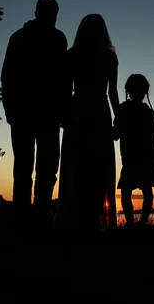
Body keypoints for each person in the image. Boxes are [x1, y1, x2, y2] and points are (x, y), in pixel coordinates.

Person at [0, 0, 68, 231]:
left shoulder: (24, 37)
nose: (52, 16)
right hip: (32, 112)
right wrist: (9, 107)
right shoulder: (32, 38)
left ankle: (34, 216)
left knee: (38, 168)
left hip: (36, 112)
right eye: (51, 12)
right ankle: (30, 217)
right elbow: (7, 75)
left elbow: (63, 78)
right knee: (33, 168)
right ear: (41, 12)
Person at [57, 14, 120, 232]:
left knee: (77, 167)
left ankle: (75, 221)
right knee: (98, 167)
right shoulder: (109, 57)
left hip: (78, 111)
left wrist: (64, 115)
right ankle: (93, 221)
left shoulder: (72, 55)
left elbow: (65, 90)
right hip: (100, 113)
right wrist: (118, 118)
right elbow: (112, 92)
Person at [113, 74, 154, 227]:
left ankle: (134, 222)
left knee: (128, 192)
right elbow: (153, 138)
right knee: (143, 191)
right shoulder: (145, 111)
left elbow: (116, 133)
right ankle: (139, 222)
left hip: (134, 158)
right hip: (140, 158)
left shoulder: (126, 109)